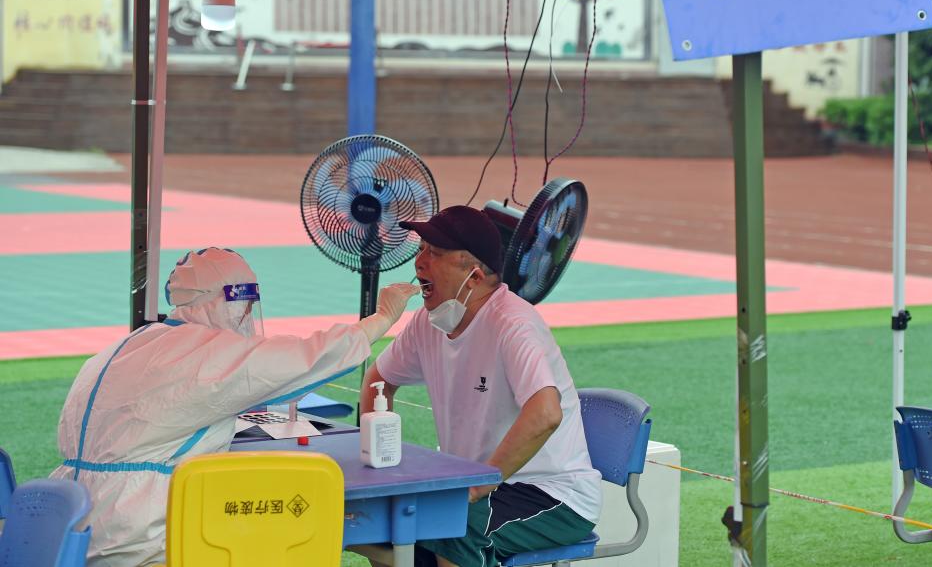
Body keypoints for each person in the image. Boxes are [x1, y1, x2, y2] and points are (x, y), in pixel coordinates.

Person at [50, 247, 418, 567]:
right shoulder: (200, 353)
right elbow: (304, 358)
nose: (246, 317)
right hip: (138, 537)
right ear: (227, 301)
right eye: (243, 305)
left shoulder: (130, 345)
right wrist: (382, 318)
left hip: (73, 526)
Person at [360, 206, 601, 567]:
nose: (419, 262)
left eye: (435, 253)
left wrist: (478, 486)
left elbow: (546, 413)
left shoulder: (512, 323)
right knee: (391, 520)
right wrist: (380, 462)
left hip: (552, 494)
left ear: (472, 275)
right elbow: (378, 380)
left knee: (455, 524)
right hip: (478, 486)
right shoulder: (428, 321)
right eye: (421, 249)